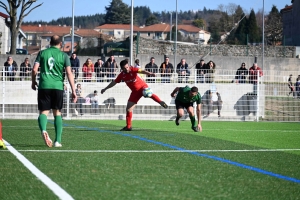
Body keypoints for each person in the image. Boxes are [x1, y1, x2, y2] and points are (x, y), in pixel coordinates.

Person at [31, 35, 77, 148]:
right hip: (57, 87)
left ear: (50, 42)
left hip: (44, 86)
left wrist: (33, 82)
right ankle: (58, 141)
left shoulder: (42, 53)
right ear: (60, 43)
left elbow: (34, 69)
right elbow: (69, 73)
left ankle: (43, 130)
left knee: (43, 112)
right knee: (57, 113)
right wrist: (74, 90)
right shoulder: (64, 55)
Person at [101, 59, 168, 131]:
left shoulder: (132, 69)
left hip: (142, 87)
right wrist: (105, 88)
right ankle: (128, 127)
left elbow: (141, 71)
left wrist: (149, 73)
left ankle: (161, 102)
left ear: (128, 66)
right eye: (124, 68)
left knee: (148, 93)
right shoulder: (121, 75)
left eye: (127, 67)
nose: (126, 69)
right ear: (121, 69)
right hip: (135, 92)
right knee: (128, 109)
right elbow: (114, 82)